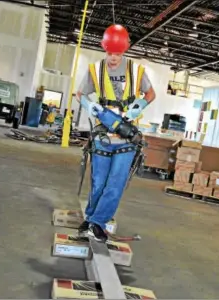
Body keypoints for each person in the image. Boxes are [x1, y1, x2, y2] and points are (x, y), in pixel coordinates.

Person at [76, 24, 156, 242]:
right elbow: (79, 94)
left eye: (118, 53)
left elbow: (150, 93)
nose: (113, 58)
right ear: (104, 49)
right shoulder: (96, 70)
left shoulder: (136, 71)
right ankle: (91, 219)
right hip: (103, 135)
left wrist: (139, 104)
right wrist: (89, 105)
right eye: (110, 53)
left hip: (127, 137)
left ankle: (97, 223)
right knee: (99, 182)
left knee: (115, 184)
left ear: (125, 50)